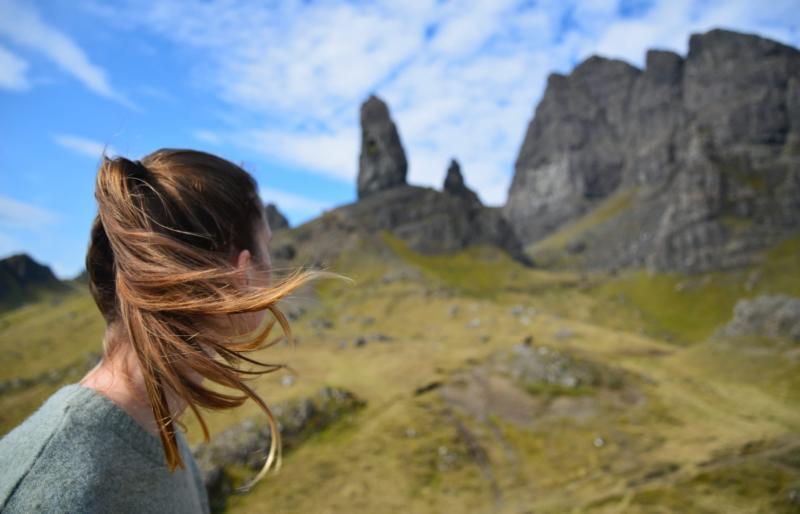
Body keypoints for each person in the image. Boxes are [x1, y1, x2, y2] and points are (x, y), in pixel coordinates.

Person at [0, 149, 319, 513]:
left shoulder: (157, 430)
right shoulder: (43, 493)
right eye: (268, 246)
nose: (273, 267)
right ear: (240, 273)